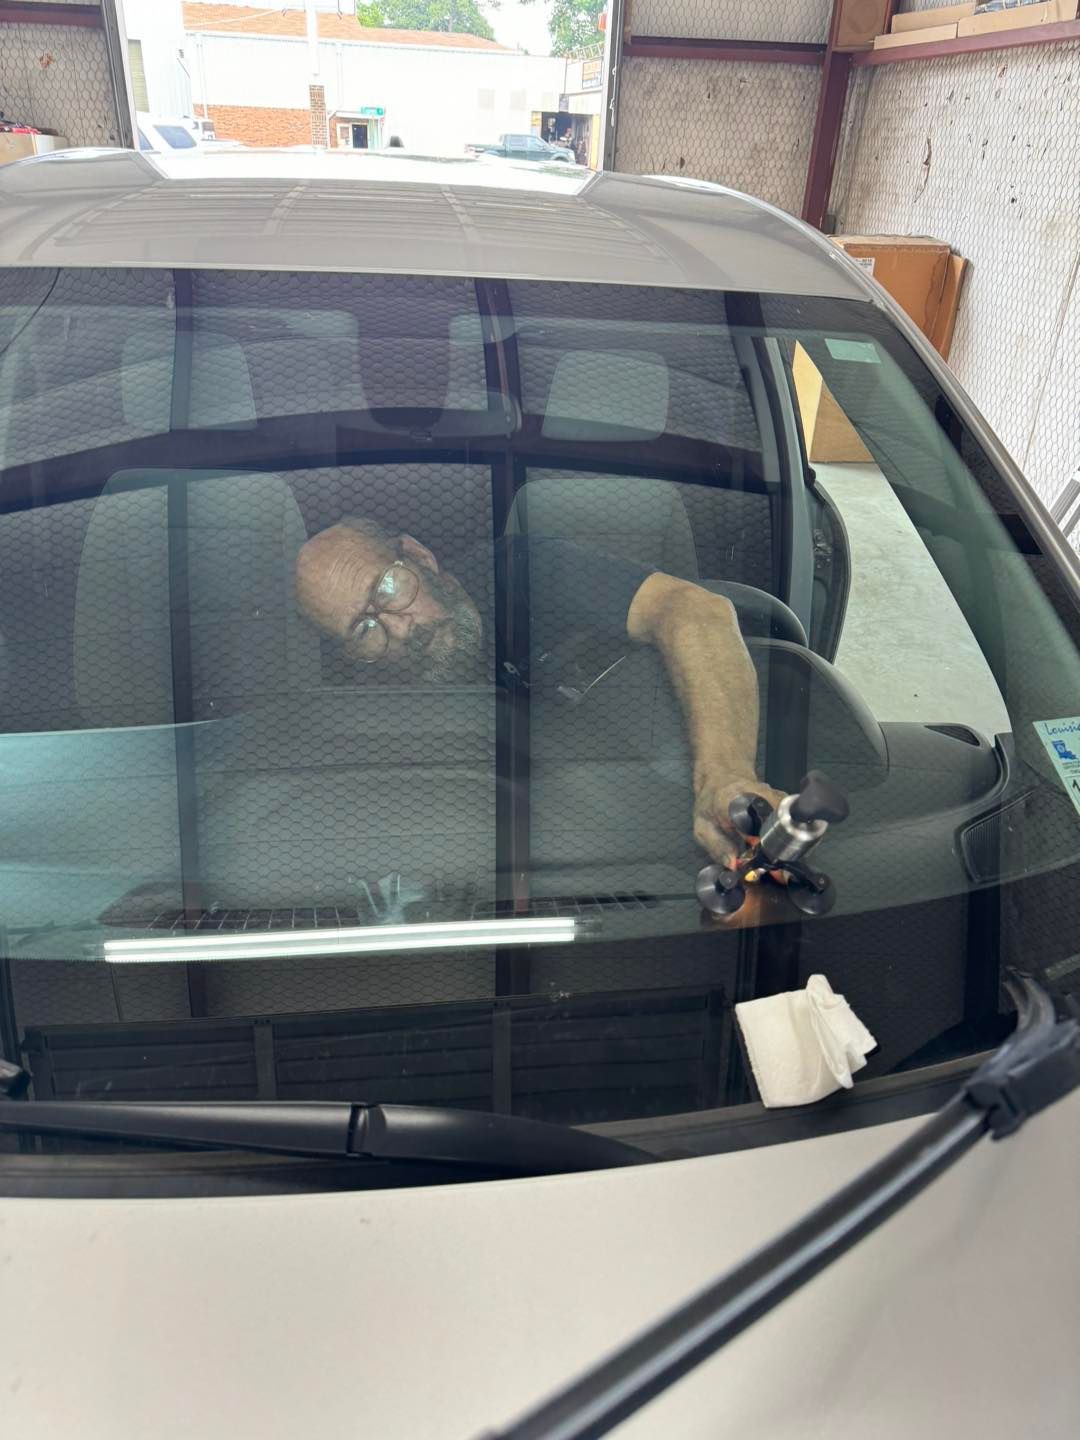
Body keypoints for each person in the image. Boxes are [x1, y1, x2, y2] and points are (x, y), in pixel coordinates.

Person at [295, 518, 783, 867]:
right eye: (363, 627)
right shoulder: (366, 707)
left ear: (420, 558)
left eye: (387, 589)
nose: (398, 629)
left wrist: (725, 775)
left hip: (637, 837)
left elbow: (694, 610)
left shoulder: (522, 571)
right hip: (508, 870)